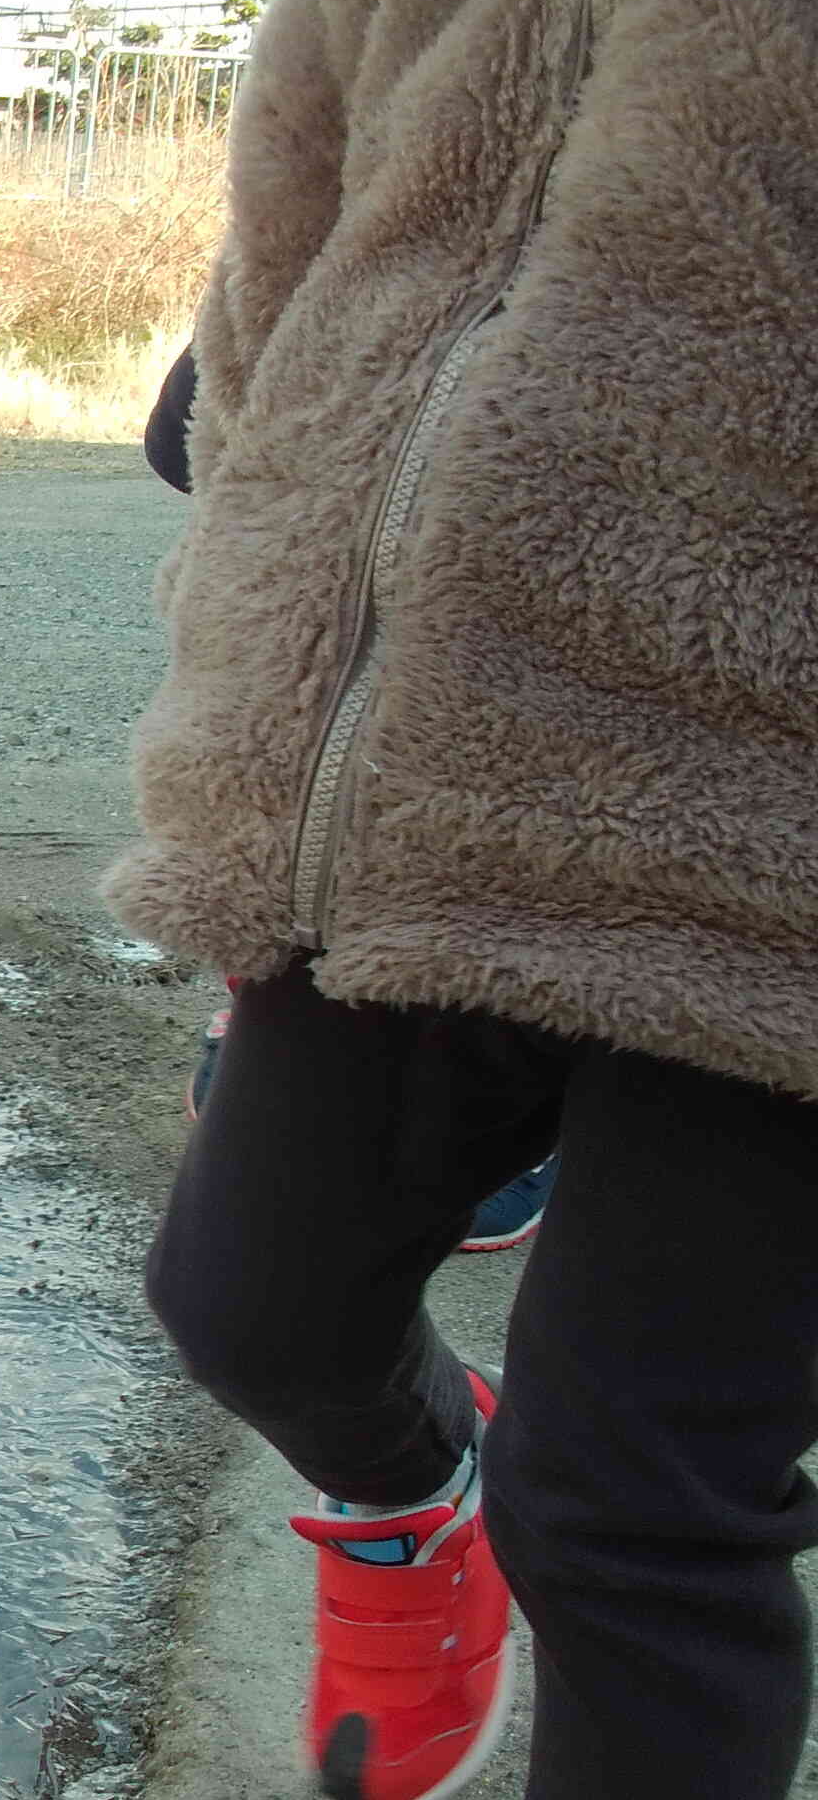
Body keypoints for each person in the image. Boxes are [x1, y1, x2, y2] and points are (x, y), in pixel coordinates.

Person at [110, 0, 818, 1800]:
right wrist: (256, 472)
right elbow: (298, 192)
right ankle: (415, 1497)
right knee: (247, 1288)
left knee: (636, 1478)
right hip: (404, 757)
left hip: (774, 816)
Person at [147, 343, 557, 1253]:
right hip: (342, 606)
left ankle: (529, 1105)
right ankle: (266, 1028)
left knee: (524, 851)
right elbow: (179, 444)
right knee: (295, 816)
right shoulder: (375, 212)